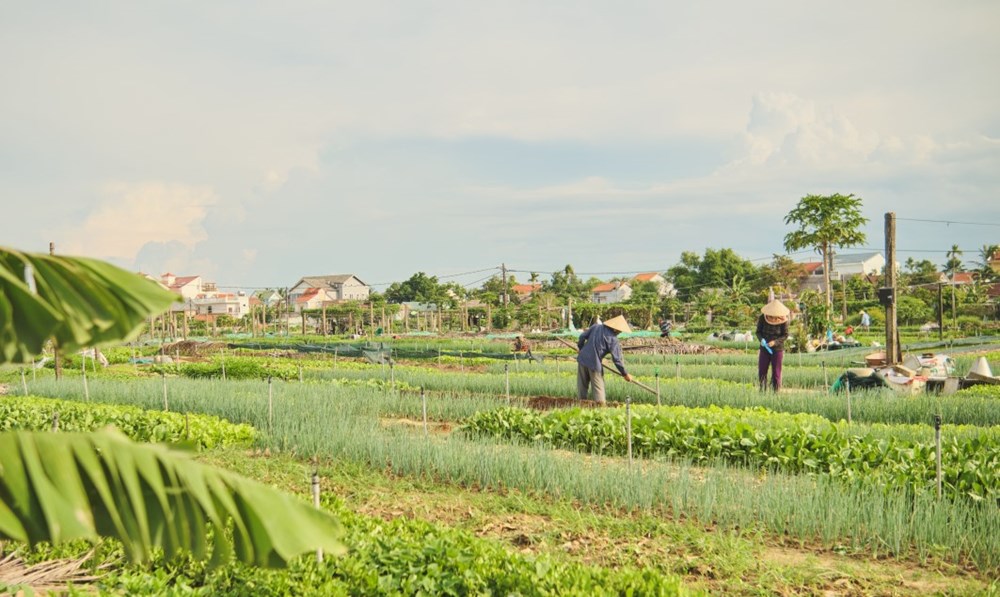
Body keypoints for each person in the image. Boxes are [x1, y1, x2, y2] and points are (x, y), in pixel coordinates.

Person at [577, 314, 633, 403]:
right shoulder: (613, 339)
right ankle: (601, 410)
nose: (620, 332)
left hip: (582, 359)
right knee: (598, 390)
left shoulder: (595, 327)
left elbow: (582, 337)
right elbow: (617, 359)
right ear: (615, 328)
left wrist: (581, 349)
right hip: (594, 363)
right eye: (620, 330)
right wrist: (625, 374)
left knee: (582, 388)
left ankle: (580, 406)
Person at [756, 299, 790, 392]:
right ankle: (762, 390)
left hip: (777, 349)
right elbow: (758, 332)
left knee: (776, 372)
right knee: (762, 370)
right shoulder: (763, 318)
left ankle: (775, 392)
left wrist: (775, 342)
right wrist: (761, 339)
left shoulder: (783, 321)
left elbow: (785, 335)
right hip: (764, 348)